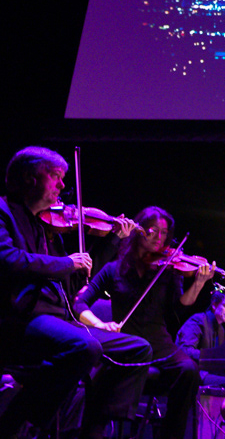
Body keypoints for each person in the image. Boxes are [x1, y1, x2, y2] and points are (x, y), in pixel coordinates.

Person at [0, 146, 153, 439]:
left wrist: (111, 241)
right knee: (86, 347)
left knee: (138, 348)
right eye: (55, 176)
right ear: (30, 177)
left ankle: (93, 429)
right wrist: (67, 263)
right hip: (24, 318)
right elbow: (7, 258)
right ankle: (21, 421)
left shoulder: (45, 226)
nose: (62, 185)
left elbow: (75, 282)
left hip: (59, 318)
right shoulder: (3, 211)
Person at [73, 206, 214, 439]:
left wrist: (198, 284)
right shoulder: (114, 269)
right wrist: (100, 325)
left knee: (189, 370)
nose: (160, 238)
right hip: (126, 343)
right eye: (154, 230)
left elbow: (178, 309)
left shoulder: (168, 270)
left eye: (164, 233)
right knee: (103, 381)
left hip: (160, 344)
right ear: (140, 230)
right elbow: (80, 303)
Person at [175, 291, 225, 388]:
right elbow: (185, 350)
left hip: (207, 373)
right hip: (193, 372)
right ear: (214, 305)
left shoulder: (221, 330)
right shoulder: (197, 320)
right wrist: (211, 357)